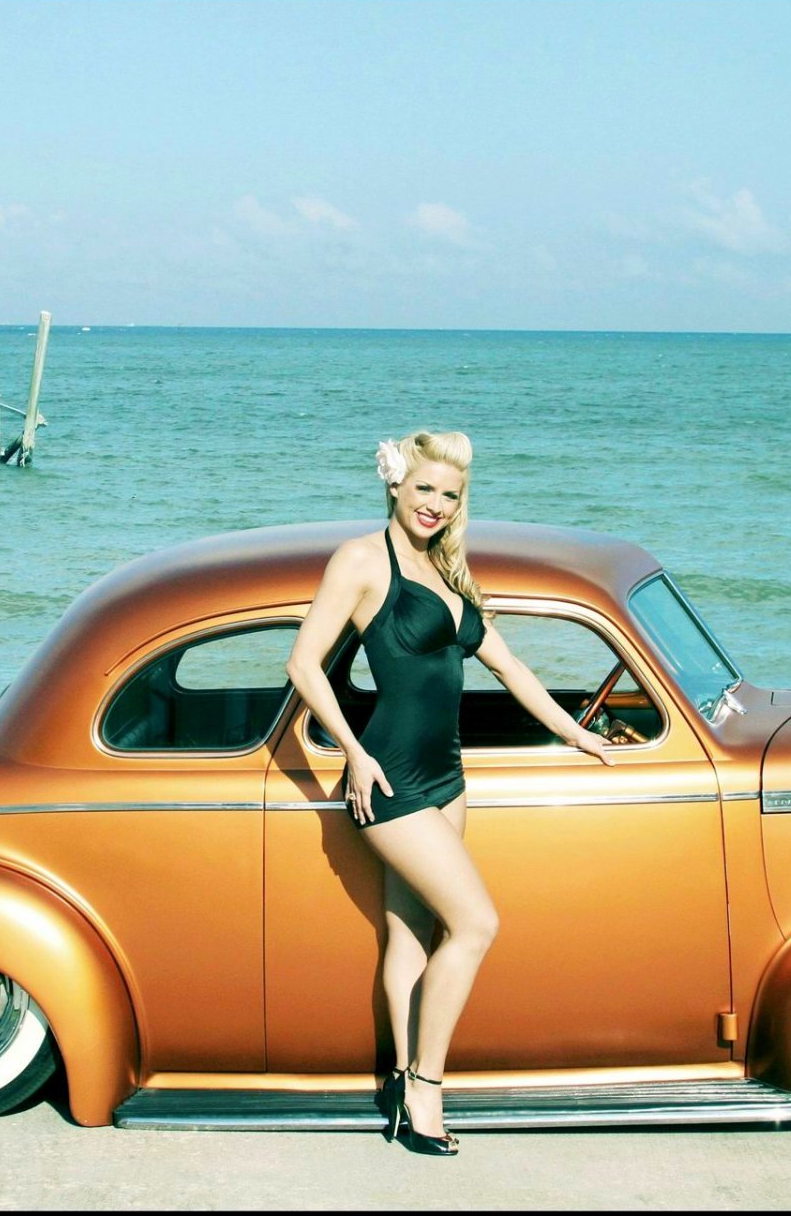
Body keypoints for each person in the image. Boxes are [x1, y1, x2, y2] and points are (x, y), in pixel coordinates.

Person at [283, 430, 617, 1155]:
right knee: (476, 924)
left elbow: (514, 669)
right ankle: (427, 1091)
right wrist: (356, 752)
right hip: (392, 775)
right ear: (397, 485)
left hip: (447, 775)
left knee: (412, 932)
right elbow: (304, 664)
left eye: (450, 494)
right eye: (425, 488)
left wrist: (579, 734)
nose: (435, 504)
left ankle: (401, 1087)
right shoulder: (362, 559)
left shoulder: (447, 567)